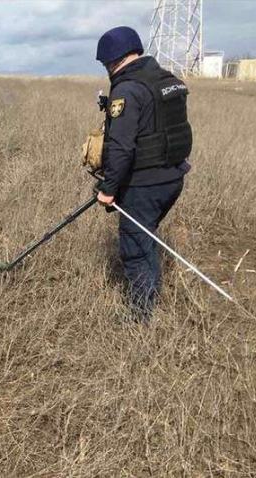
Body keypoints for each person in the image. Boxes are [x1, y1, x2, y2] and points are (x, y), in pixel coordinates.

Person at [95, 26, 192, 323]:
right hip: (173, 177)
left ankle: (140, 316)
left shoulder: (126, 90)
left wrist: (109, 189)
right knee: (145, 235)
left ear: (113, 60)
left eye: (105, 64)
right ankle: (151, 298)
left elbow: (122, 147)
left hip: (145, 184)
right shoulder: (166, 80)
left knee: (135, 247)